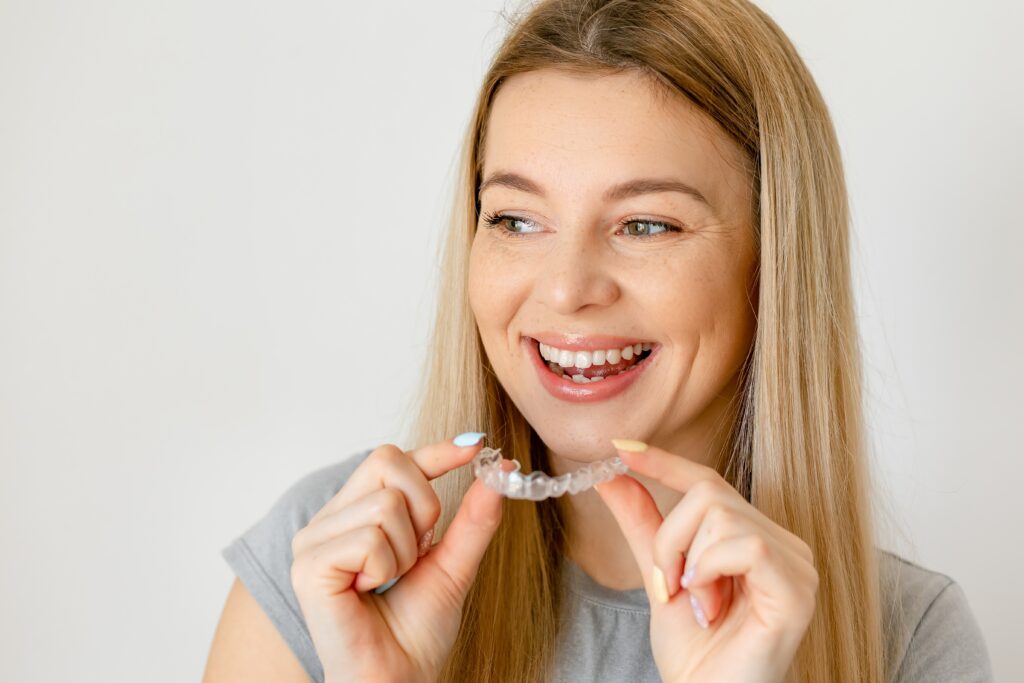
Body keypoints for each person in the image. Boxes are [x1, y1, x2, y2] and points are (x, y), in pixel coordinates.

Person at [203, 1, 994, 681]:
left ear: (774, 261)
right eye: (516, 218)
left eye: (646, 223)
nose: (565, 287)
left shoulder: (907, 639)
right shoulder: (330, 568)